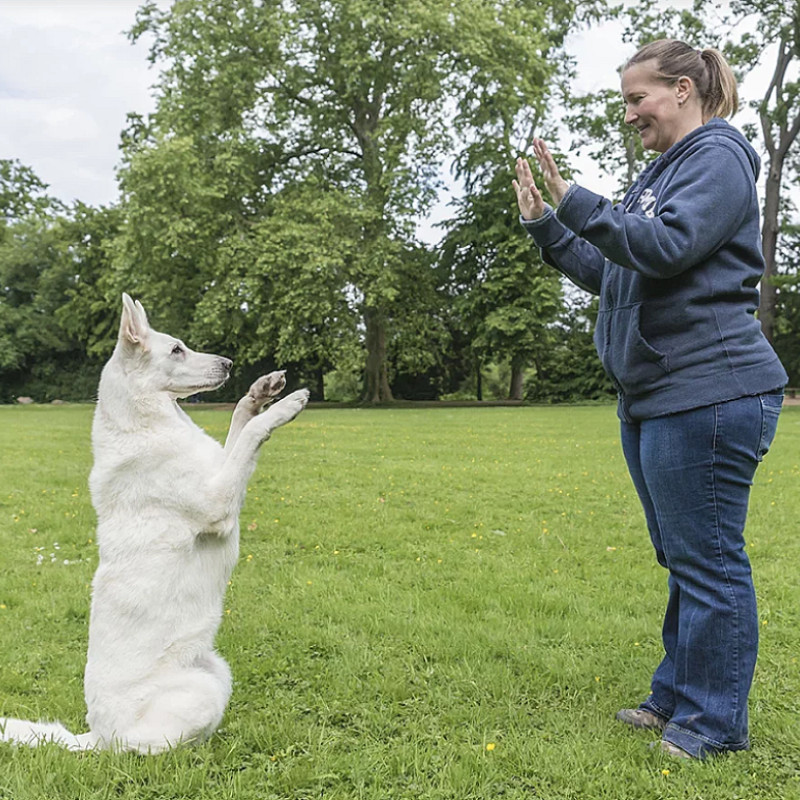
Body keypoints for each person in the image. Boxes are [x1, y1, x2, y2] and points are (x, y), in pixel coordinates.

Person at [512, 38, 787, 760]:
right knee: (684, 557)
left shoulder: (719, 156)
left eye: (639, 98)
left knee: (709, 562)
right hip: (656, 395)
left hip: (710, 390)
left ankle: (715, 722)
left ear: (685, 91)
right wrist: (549, 224)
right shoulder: (659, 172)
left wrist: (579, 200)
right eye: (627, 101)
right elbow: (617, 272)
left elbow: (665, 247)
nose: (630, 114)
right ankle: (676, 695)